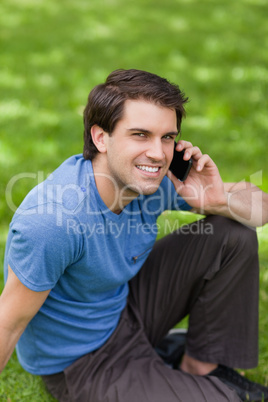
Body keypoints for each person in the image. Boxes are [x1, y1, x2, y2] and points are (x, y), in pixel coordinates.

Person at [1, 69, 268, 402]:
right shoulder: (54, 220)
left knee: (233, 232)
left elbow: (260, 209)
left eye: (167, 137)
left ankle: (199, 367)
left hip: (125, 309)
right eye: (140, 135)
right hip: (83, 362)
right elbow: (7, 324)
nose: (157, 153)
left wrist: (217, 199)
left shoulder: (150, 180)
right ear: (101, 138)